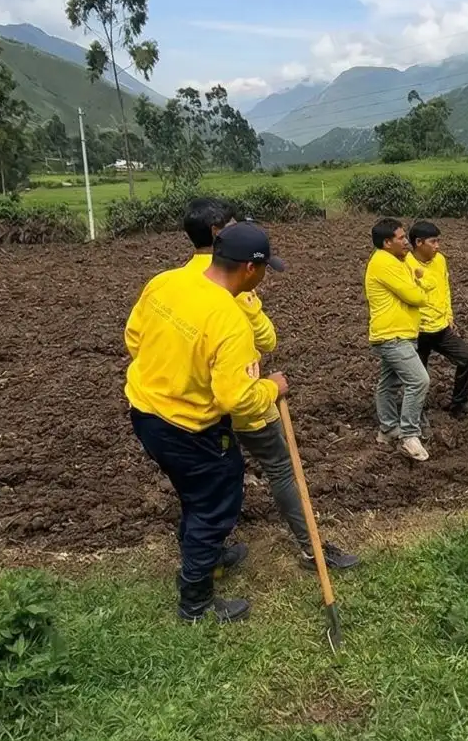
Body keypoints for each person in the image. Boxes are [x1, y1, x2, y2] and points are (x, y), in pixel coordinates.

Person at [179, 200, 359, 571]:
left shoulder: (179, 279)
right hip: (241, 393)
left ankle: (206, 552)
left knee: (205, 480)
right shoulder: (232, 287)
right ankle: (312, 549)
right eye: (230, 226)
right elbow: (267, 339)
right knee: (279, 466)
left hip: (194, 402)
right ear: (217, 235)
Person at [124, 222, 287, 623]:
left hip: (145, 413)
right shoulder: (230, 320)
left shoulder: (165, 283)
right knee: (214, 505)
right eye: (266, 270)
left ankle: (208, 553)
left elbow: (133, 337)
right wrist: (272, 387)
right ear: (251, 269)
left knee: (201, 489)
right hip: (187, 428)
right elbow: (239, 400)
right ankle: (195, 602)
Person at [363, 217, 431, 461]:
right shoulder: (383, 262)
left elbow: (415, 281)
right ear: (386, 242)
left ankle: (388, 429)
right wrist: (419, 285)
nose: (406, 241)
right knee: (419, 380)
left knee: (389, 383)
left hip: (399, 333)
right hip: (392, 336)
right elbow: (415, 295)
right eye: (401, 238)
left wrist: (416, 280)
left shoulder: (397, 260)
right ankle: (409, 435)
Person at [407, 219, 468, 424]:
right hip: (417, 330)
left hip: (440, 327)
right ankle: (417, 414)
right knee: (418, 377)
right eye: (434, 242)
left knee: (467, 358)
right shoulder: (406, 264)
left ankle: (459, 404)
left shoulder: (440, 260)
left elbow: (445, 288)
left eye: (438, 241)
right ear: (419, 242)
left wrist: (449, 315)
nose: (438, 246)